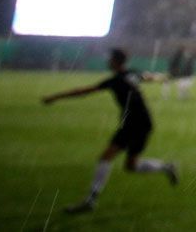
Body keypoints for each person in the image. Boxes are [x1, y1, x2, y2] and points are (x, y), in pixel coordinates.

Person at [42, 48, 178, 213]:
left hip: (133, 124)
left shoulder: (116, 81)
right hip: (144, 122)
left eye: (110, 59)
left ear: (115, 61)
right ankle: (166, 167)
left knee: (106, 157)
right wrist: (163, 77)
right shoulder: (131, 74)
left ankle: (90, 201)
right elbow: (149, 77)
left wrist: (55, 97)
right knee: (131, 165)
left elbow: (83, 92)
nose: (108, 62)